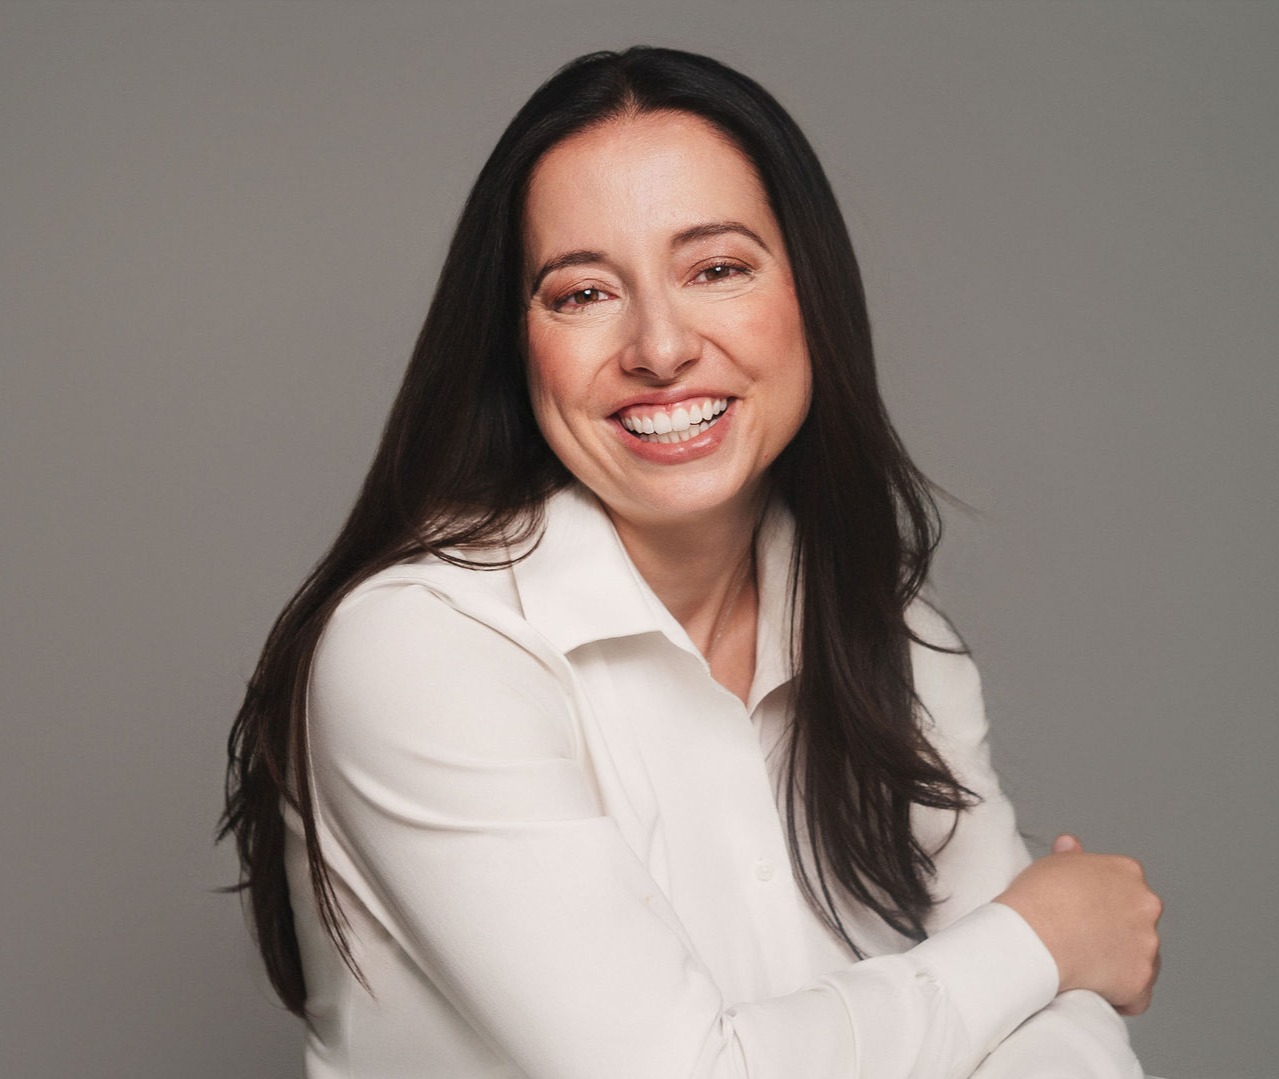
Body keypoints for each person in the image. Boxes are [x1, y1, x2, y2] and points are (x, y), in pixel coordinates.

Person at [222, 46, 1161, 1078]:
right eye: (582, 293)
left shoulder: (898, 641)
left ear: (811, 295)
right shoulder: (422, 646)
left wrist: (1037, 966)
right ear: (515, 344)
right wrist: (1040, 936)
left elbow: (1059, 1040)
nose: (660, 347)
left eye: (717, 269)